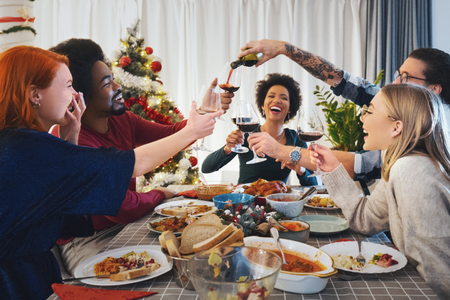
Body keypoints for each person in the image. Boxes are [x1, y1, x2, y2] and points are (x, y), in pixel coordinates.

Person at [0, 45, 223, 300]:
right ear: (34, 95)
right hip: (14, 283)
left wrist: (70, 138)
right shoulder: (28, 147)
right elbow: (132, 165)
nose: (75, 94)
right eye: (68, 85)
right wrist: (192, 132)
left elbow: (62, 194)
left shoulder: (21, 141)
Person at [48, 38, 235, 276]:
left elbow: (170, 135)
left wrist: (203, 113)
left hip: (123, 225)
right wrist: (162, 194)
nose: (117, 87)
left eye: (113, 78)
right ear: (82, 96)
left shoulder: (121, 119)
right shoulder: (74, 137)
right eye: (107, 84)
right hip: (87, 239)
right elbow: (122, 206)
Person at [238, 39, 450, 184]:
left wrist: (281, 151)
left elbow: (359, 165)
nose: (395, 82)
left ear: (433, 90)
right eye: (398, 74)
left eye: (405, 77)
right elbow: (339, 78)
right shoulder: (389, 103)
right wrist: (284, 48)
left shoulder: (423, 149)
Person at [309, 84, 450, 299]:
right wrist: (334, 169)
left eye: (370, 111)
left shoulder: (412, 170)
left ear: (396, 127)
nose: (361, 118)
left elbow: (438, 274)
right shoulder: (399, 162)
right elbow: (367, 219)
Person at [202, 73, 317, 186]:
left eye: (284, 98)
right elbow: (206, 168)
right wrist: (227, 149)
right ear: (262, 104)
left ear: (290, 109)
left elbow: (314, 185)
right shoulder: (247, 134)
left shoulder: (296, 139)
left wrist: (301, 170)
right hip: (245, 200)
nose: (276, 100)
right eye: (271, 96)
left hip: (278, 201)